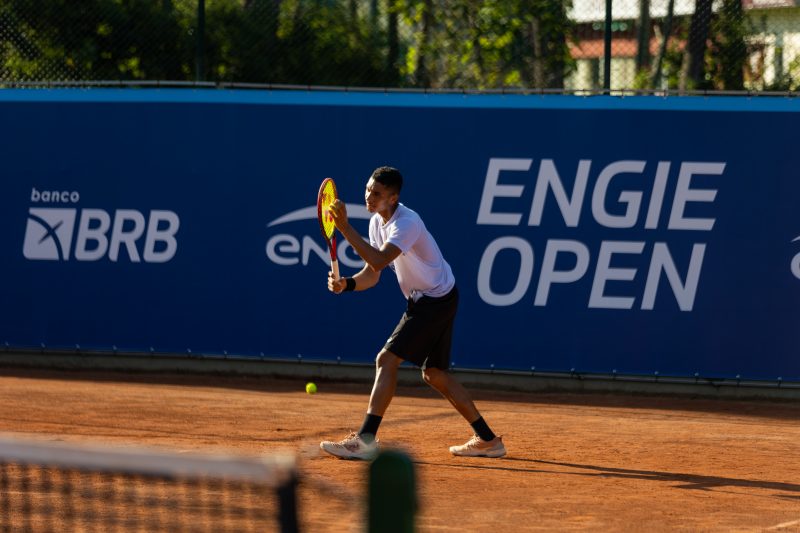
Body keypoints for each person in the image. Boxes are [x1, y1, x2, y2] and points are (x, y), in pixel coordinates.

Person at [319, 166, 506, 460]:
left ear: (393, 198)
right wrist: (348, 284)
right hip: (438, 297)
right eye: (368, 189)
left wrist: (343, 228)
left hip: (434, 300)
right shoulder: (375, 223)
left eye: (377, 193)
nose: (369, 196)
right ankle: (488, 439)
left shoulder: (407, 223)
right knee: (435, 374)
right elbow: (372, 274)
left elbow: (379, 261)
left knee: (386, 359)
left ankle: (365, 440)